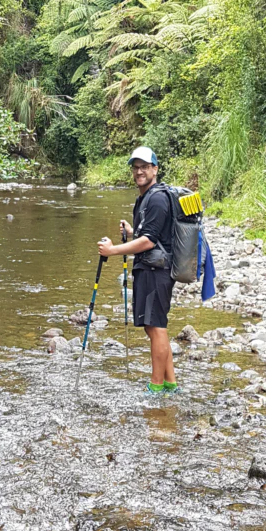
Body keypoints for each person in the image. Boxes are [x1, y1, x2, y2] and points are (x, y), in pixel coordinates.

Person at [98, 146, 178, 395]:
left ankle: (155, 387)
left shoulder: (156, 198)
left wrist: (114, 250)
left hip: (156, 270)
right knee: (152, 326)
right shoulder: (145, 197)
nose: (140, 171)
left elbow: (150, 242)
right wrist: (133, 232)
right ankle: (170, 383)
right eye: (136, 167)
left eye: (145, 166)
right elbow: (150, 234)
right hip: (150, 267)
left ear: (155, 169)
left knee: (156, 326)